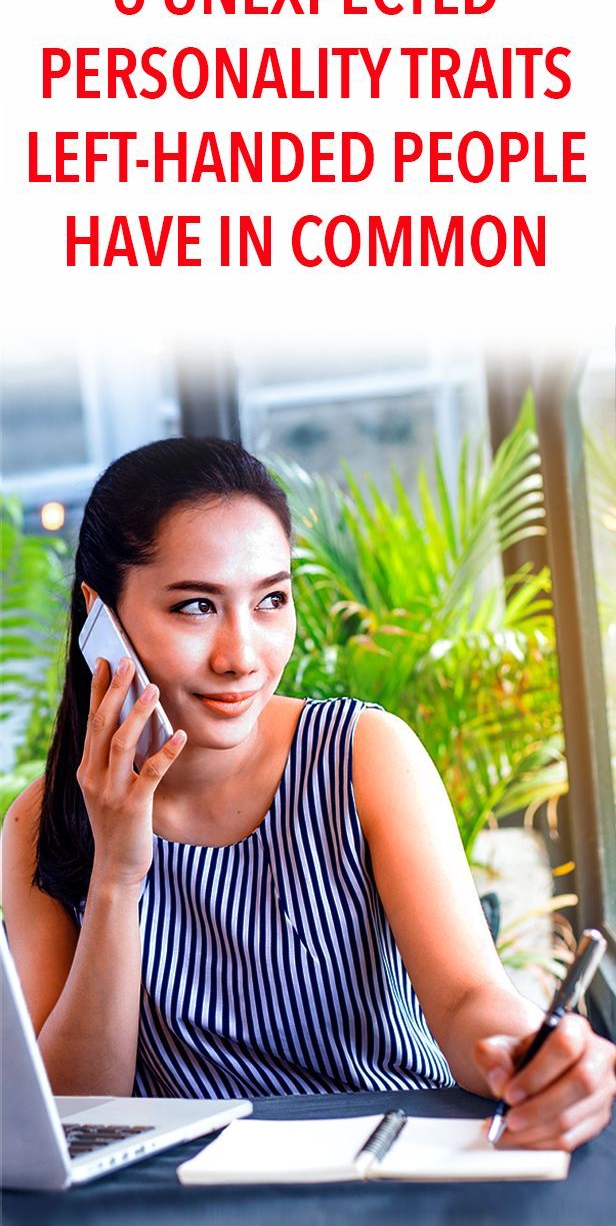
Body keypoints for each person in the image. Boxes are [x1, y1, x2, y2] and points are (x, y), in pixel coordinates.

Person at [2, 437, 614, 1149]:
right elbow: (75, 1113)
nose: (241, 657)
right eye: (196, 606)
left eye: (271, 600)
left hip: (393, 1166)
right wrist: (117, 873)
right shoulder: (42, 821)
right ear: (100, 615)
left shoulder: (364, 755)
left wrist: (536, 1057)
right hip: (189, 1201)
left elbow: (467, 999)